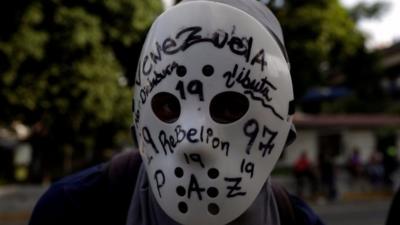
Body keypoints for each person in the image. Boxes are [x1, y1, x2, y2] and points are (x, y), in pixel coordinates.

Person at [29, 0, 325, 224]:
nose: (192, 139)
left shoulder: (296, 220)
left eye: (229, 107)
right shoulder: (71, 210)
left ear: (283, 132)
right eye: (169, 106)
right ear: (138, 125)